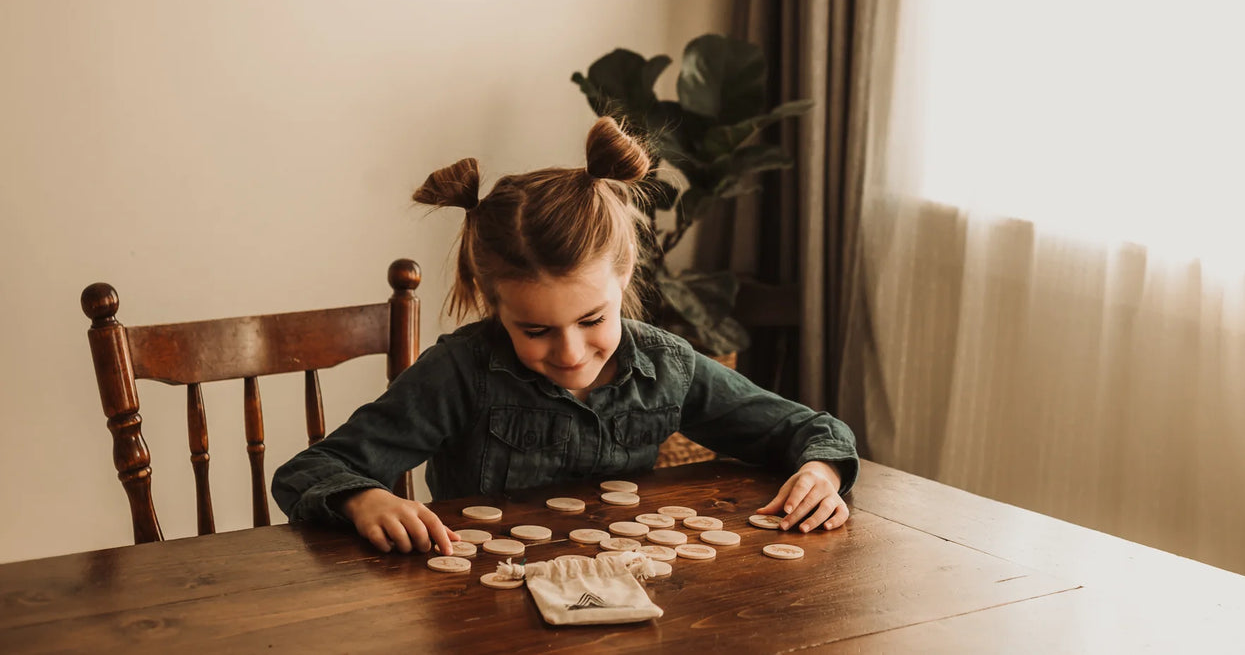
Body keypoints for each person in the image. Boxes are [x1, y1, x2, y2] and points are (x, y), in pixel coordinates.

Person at [272, 116, 859, 556]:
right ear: (490, 299)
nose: (571, 352)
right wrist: (363, 497)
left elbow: (809, 430)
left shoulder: (666, 367)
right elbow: (309, 470)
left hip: (626, 596)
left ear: (624, 274)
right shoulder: (459, 372)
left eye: (592, 320)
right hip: (482, 611)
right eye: (535, 330)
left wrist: (821, 471)